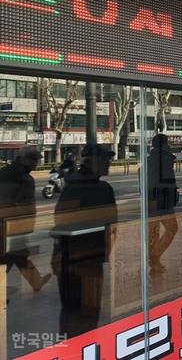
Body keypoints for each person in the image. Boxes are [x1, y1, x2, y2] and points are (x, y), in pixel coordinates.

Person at [52, 143, 118, 337]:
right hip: (87, 259)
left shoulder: (73, 184)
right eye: (104, 160)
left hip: (72, 257)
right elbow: (110, 226)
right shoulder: (98, 188)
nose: (108, 164)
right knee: (87, 311)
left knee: (72, 311)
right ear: (89, 162)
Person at [0, 146, 52, 293]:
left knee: (16, 255)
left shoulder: (4, 172)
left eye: (36, 159)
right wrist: (26, 225)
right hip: (13, 224)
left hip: (5, 222)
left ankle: (36, 281)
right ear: (23, 159)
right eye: (32, 159)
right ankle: (36, 282)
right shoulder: (24, 179)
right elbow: (24, 205)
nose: (35, 163)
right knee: (13, 255)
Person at [146, 134, 179, 275]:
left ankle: (155, 264)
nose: (169, 145)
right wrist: (173, 199)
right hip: (164, 202)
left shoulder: (148, 160)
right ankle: (154, 259)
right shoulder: (165, 159)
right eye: (167, 143)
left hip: (150, 201)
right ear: (164, 145)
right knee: (172, 228)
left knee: (153, 232)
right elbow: (169, 183)